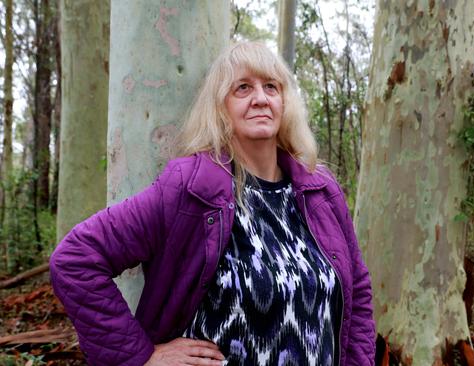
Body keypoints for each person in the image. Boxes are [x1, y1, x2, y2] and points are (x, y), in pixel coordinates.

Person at [50, 41, 375, 366]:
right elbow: (76, 259)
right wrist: (140, 356)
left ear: (285, 103)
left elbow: (356, 290)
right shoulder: (191, 189)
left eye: (271, 87)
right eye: (243, 88)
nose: (260, 98)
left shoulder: (320, 191)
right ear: (220, 108)